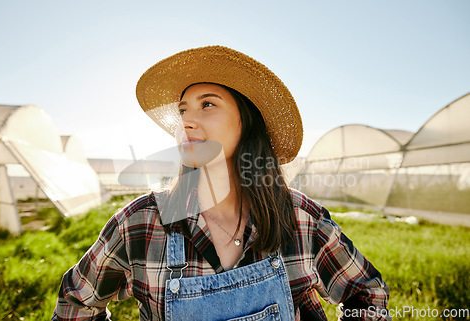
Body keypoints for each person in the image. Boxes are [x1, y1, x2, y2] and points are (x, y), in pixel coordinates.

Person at [52, 46, 390, 320]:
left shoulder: (300, 218)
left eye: (208, 105)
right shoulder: (140, 222)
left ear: (246, 121)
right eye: (183, 111)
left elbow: (368, 294)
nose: (187, 122)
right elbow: (75, 303)